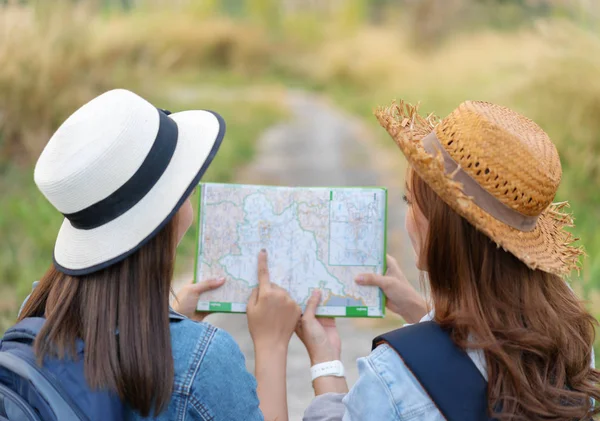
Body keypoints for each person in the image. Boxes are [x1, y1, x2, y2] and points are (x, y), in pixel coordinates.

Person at [293, 100, 600, 420]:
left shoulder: (394, 374)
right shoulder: (568, 332)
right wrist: (418, 310)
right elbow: (484, 361)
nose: (408, 217)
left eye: (409, 201)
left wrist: (323, 358)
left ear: (441, 227)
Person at [13, 89, 302, 421]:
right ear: (172, 210)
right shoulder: (203, 361)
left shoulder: (37, 311)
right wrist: (271, 345)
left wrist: (168, 323)